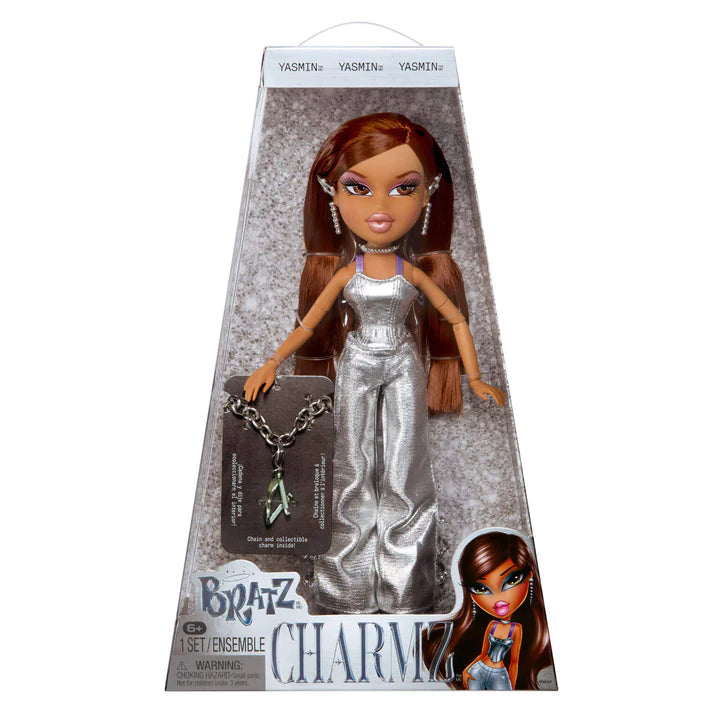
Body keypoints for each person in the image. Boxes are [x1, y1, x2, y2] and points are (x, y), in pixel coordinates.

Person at [244, 113, 504, 613]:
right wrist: (271, 363)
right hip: (358, 361)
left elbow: (454, 318)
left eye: (403, 188)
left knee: (407, 465)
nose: (381, 208)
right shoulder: (346, 274)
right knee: (350, 464)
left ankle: (407, 592)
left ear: (428, 195)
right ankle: (344, 590)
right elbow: (308, 325)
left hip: (403, 362)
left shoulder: (412, 271)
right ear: (332, 196)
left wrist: (473, 376)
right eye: (358, 188)